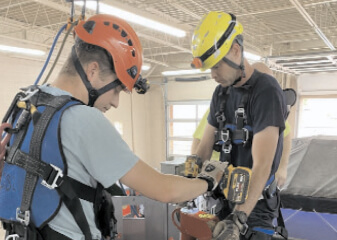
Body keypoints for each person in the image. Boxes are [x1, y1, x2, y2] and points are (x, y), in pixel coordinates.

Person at [0, 14, 228, 240]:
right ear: (92, 70)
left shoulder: (27, 102)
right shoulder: (82, 119)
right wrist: (207, 181)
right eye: (117, 89)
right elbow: (164, 190)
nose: (116, 102)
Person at [190, 11, 287, 240]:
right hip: (225, 198)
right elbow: (204, 147)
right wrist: (187, 182)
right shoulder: (221, 93)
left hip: (256, 206)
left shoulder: (267, 91)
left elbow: (263, 165)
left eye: (216, 67)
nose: (213, 75)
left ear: (236, 50)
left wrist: (239, 218)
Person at [192, 62, 292, 189]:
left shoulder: (271, 108)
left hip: (256, 184)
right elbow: (200, 142)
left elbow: (286, 136)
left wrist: (282, 168)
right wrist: (198, 177)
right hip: (221, 178)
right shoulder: (220, 106)